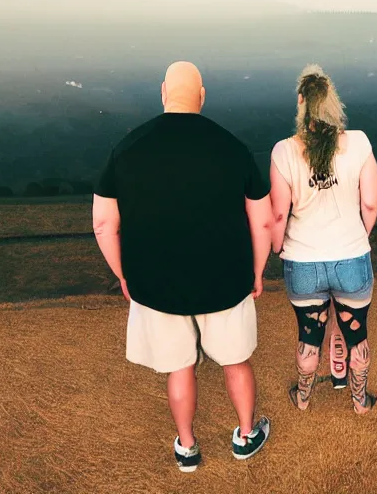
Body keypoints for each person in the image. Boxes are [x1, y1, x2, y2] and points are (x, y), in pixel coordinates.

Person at [92, 61, 272, 472]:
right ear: (202, 96)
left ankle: (187, 447)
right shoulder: (232, 146)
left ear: (163, 93)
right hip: (226, 278)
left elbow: (104, 222)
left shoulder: (127, 148)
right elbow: (262, 219)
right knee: (235, 359)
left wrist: (123, 274)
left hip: (155, 283)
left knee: (178, 366)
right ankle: (246, 435)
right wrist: (258, 271)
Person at [269, 64, 377, 414]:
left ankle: (303, 398)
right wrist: (358, 236)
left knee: (308, 336)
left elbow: (277, 215)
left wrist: (277, 247)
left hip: (303, 262)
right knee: (356, 334)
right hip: (351, 258)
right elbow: (371, 203)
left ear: (301, 102)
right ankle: (360, 402)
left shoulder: (284, 151)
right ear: (333, 102)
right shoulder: (359, 143)